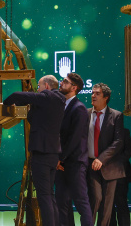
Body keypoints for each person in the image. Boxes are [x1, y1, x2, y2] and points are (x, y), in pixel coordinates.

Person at [3, 75, 65, 226]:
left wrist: (3, 105)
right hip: (52, 154)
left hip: (41, 155)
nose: (38, 90)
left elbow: (17, 95)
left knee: (44, 197)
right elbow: (35, 117)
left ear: (47, 86)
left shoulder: (48, 96)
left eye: (39, 86)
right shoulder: (59, 100)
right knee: (50, 195)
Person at [55, 73, 93, 226]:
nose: (61, 83)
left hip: (75, 163)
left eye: (65, 81)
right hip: (62, 163)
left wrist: (60, 158)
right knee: (61, 203)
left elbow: (75, 138)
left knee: (81, 202)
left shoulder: (79, 108)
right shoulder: (61, 105)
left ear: (74, 87)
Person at [86, 83, 125, 226]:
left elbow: (119, 141)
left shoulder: (116, 116)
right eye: (92, 92)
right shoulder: (85, 113)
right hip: (90, 165)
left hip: (110, 166)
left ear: (106, 97)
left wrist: (101, 159)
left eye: (97, 93)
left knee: (107, 206)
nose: (93, 95)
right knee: (95, 199)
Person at [110, 128, 131, 226]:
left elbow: (129, 151)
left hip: (121, 175)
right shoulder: (100, 131)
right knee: (108, 206)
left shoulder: (124, 132)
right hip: (104, 174)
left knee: (121, 204)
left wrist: (112, 163)